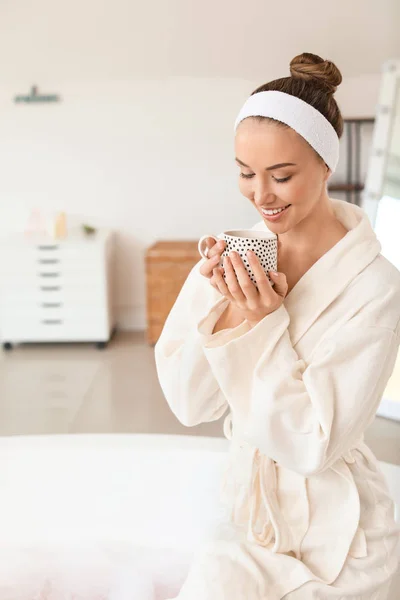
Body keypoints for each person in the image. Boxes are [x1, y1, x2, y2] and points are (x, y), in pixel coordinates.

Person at [154, 52, 400, 599]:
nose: (260, 194)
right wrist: (234, 312)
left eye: (281, 176)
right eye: (245, 173)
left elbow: (314, 446)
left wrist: (264, 326)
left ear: (325, 167)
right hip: (250, 524)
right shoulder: (238, 259)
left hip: (342, 542)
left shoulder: (374, 286)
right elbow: (190, 404)